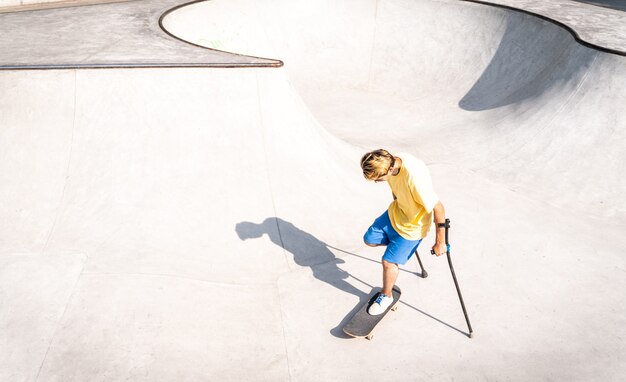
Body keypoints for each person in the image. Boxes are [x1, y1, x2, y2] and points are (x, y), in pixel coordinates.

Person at [361, 149, 447, 315]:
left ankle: (386, 296)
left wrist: (440, 242)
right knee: (369, 239)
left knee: (388, 263)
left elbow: (439, 208)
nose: (377, 182)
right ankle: (399, 250)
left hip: (413, 228)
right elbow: (395, 185)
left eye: (378, 179)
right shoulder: (392, 160)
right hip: (396, 214)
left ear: (389, 169)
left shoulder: (415, 179)